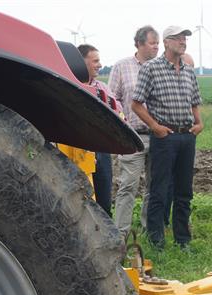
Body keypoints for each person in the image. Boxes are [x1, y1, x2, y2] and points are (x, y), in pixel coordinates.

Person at [131, 26, 203, 250]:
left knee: (184, 191)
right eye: (178, 38)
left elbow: (195, 101)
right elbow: (136, 104)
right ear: (166, 42)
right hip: (165, 137)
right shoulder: (151, 68)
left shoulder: (189, 71)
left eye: (185, 38)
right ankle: (157, 241)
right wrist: (155, 127)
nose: (183, 42)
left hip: (187, 136)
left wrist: (199, 123)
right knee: (159, 190)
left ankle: (183, 240)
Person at [109, 26, 160, 233]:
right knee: (128, 185)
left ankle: (151, 230)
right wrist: (121, 129)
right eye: (152, 43)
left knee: (154, 186)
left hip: (158, 136)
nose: (156, 47)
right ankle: (120, 233)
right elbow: (112, 100)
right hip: (133, 136)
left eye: (158, 43)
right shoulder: (122, 67)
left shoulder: (161, 67)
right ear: (139, 44)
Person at [78, 44, 122, 217]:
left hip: (101, 149)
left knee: (104, 199)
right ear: (82, 62)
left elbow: (118, 113)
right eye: (95, 61)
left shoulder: (102, 88)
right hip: (77, 150)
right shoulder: (68, 84)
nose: (100, 65)